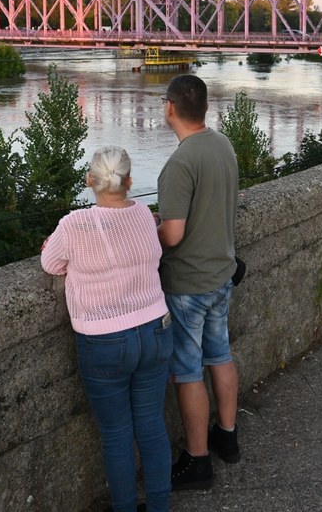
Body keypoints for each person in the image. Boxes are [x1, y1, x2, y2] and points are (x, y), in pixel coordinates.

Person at [41, 147, 172, 512]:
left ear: (90, 181)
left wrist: (55, 247)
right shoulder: (145, 216)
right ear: (130, 182)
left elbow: (51, 264)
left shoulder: (74, 224)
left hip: (105, 339)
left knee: (116, 435)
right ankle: (160, 507)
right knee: (151, 425)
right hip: (157, 330)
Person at [156, 75, 241, 490]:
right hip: (221, 275)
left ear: (170, 107)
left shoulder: (180, 162)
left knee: (188, 371)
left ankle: (197, 460)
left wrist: (145, 231)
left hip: (188, 283)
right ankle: (227, 437)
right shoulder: (222, 144)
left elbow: (171, 235)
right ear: (204, 108)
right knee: (220, 355)